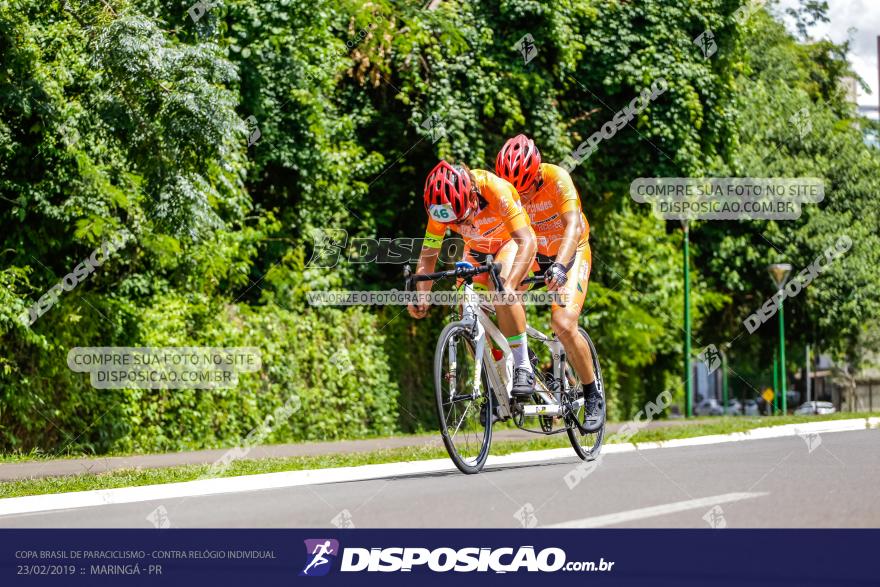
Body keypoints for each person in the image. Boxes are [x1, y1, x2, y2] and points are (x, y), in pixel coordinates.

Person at [495, 134, 603, 431]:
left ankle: (593, 393)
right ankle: (523, 358)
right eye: (514, 190)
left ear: (537, 172)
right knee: (500, 294)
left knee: (563, 324)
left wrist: (558, 266)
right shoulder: (507, 192)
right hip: (536, 252)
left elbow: (572, 227)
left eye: (526, 188)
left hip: (570, 251)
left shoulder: (558, 178)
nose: (522, 196)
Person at [408, 160, 538, 396]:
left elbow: (526, 241)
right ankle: (496, 380)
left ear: (472, 195)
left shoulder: (494, 189)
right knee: (466, 308)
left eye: (462, 217)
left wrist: (509, 286)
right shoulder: (440, 208)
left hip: (512, 242)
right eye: (453, 223)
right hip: (478, 250)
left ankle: (523, 366)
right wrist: (422, 294)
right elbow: (428, 257)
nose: (460, 225)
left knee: (499, 287)